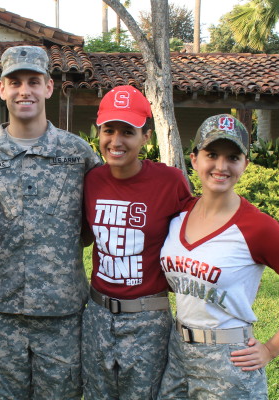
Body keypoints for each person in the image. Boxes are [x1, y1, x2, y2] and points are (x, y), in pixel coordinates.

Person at [0, 45, 101, 399]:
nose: (24, 90)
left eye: (33, 81)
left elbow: (94, 220)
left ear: (48, 87)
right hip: (1, 311)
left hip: (62, 313)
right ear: (2, 89)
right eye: (15, 82)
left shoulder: (78, 154)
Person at [158, 114, 279, 399]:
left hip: (228, 360)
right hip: (177, 352)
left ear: (245, 164)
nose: (221, 166)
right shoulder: (178, 214)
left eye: (233, 157)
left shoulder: (258, 227)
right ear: (195, 159)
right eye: (212, 154)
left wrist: (270, 349)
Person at [81, 86, 191, 399]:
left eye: (128, 132)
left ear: (146, 137)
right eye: (108, 130)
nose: (116, 141)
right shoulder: (91, 180)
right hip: (97, 315)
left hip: (147, 319)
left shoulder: (170, 182)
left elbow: (195, 237)